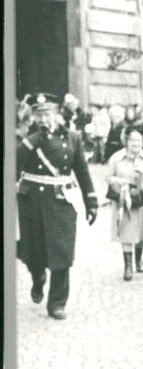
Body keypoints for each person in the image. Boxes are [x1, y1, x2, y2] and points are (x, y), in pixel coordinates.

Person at [16, 93, 99, 319]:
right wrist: (37, 138)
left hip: (61, 201)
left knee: (62, 251)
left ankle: (57, 303)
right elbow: (16, 159)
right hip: (31, 200)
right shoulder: (25, 136)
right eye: (39, 114)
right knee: (33, 252)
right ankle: (38, 277)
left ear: (57, 114)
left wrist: (91, 201)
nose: (43, 119)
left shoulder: (72, 137)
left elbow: (81, 170)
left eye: (48, 114)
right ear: (33, 116)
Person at [106, 124, 143, 281]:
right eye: (132, 140)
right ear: (126, 141)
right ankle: (128, 266)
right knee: (126, 231)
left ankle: (138, 258)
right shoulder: (116, 158)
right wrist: (120, 181)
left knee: (141, 231)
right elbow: (108, 177)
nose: (135, 143)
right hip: (123, 199)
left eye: (138, 140)